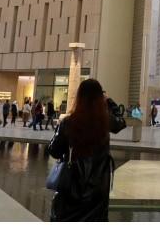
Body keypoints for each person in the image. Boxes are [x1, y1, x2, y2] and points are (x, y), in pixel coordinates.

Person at [47, 78, 126, 221]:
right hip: (98, 189)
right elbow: (121, 121)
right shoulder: (105, 122)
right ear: (100, 99)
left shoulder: (68, 123)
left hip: (72, 187)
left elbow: (54, 150)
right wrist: (109, 101)